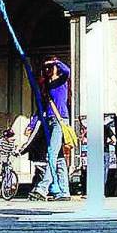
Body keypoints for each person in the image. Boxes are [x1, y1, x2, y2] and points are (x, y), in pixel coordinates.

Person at [25, 56, 72, 201]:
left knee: (51, 153)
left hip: (60, 120)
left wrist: (55, 61)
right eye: (46, 68)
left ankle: (42, 188)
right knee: (58, 159)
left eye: (50, 67)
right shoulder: (47, 87)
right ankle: (64, 191)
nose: (48, 69)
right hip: (50, 122)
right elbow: (41, 110)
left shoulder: (62, 81)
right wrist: (31, 125)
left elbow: (67, 70)